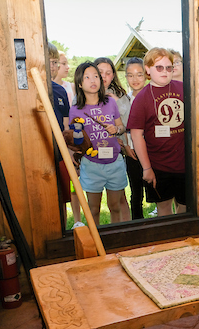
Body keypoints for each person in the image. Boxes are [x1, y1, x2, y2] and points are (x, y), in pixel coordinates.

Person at [128, 48, 186, 216]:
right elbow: (136, 134)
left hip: (185, 164)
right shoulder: (141, 99)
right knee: (164, 211)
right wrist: (146, 168)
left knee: (185, 209)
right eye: (159, 67)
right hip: (158, 167)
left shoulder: (184, 89)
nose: (165, 71)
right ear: (147, 69)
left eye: (168, 67)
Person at [69, 61, 128, 225]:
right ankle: (97, 243)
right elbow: (75, 140)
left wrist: (116, 130)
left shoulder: (110, 103)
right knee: (93, 209)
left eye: (96, 76)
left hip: (114, 162)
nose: (93, 80)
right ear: (80, 83)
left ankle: (115, 241)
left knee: (115, 207)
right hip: (91, 164)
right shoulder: (75, 109)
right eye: (87, 77)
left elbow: (121, 127)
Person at [95, 57, 131, 222]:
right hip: (92, 155)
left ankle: (126, 230)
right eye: (100, 72)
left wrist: (117, 102)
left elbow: (130, 120)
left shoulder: (120, 95)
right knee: (94, 201)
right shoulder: (83, 96)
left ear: (113, 76)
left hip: (116, 152)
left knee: (119, 197)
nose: (104, 76)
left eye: (108, 73)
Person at [48, 42, 72, 224]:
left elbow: (65, 127)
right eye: (49, 61)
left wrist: (70, 153)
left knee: (62, 197)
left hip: (59, 153)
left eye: (55, 61)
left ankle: (63, 229)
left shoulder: (60, 91)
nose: (53, 66)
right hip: (41, 153)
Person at [122, 57, 148, 219]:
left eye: (139, 74)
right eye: (130, 75)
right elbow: (121, 127)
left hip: (153, 152)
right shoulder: (123, 101)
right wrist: (126, 146)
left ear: (146, 75)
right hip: (131, 152)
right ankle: (137, 223)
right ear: (126, 77)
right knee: (136, 192)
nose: (135, 79)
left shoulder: (152, 96)